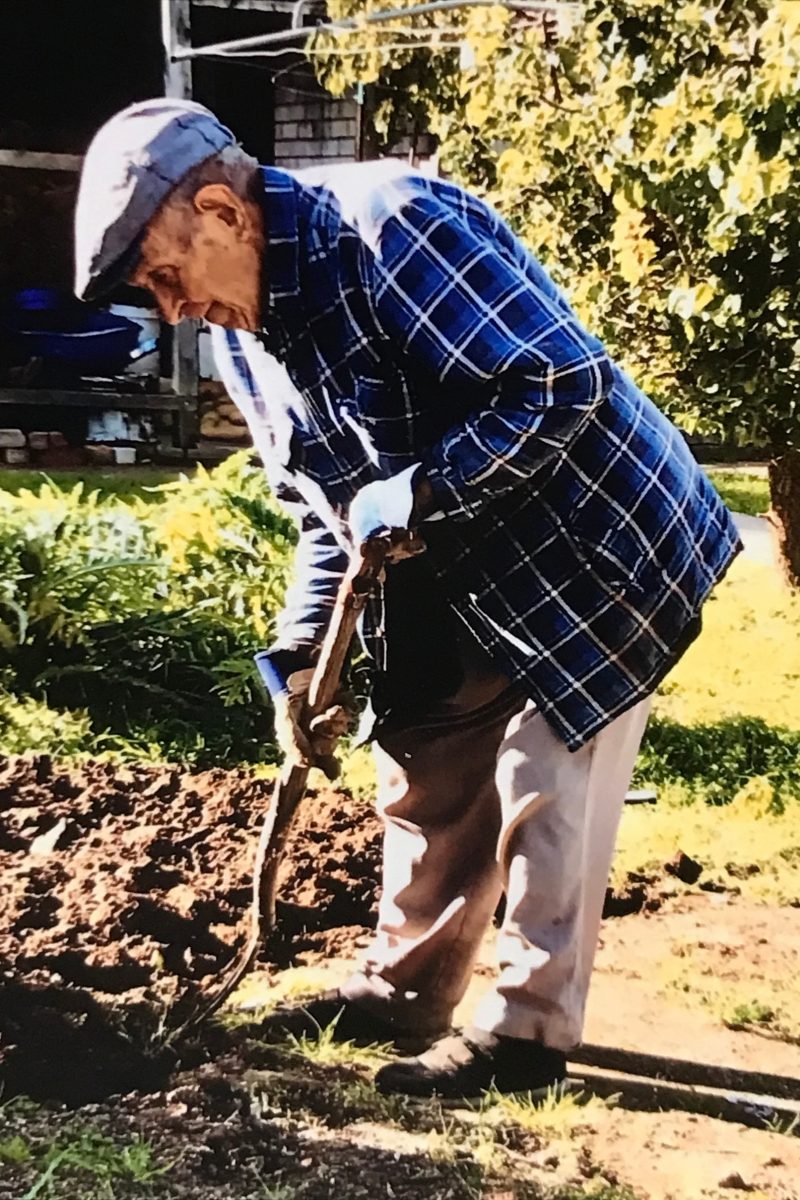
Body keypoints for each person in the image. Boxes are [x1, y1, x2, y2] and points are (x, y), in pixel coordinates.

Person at [74, 99, 741, 1100]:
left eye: (166, 276)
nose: (170, 310)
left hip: (591, 536)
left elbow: (553, 386)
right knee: (425, 757)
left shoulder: (389, 226)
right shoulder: (244, 344)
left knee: (543, 772)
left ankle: (524, 1034)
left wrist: (423, 485)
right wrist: (300, 658)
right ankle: (399, 991)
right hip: (457, 552)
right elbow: (318, 515)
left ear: (223, 210)